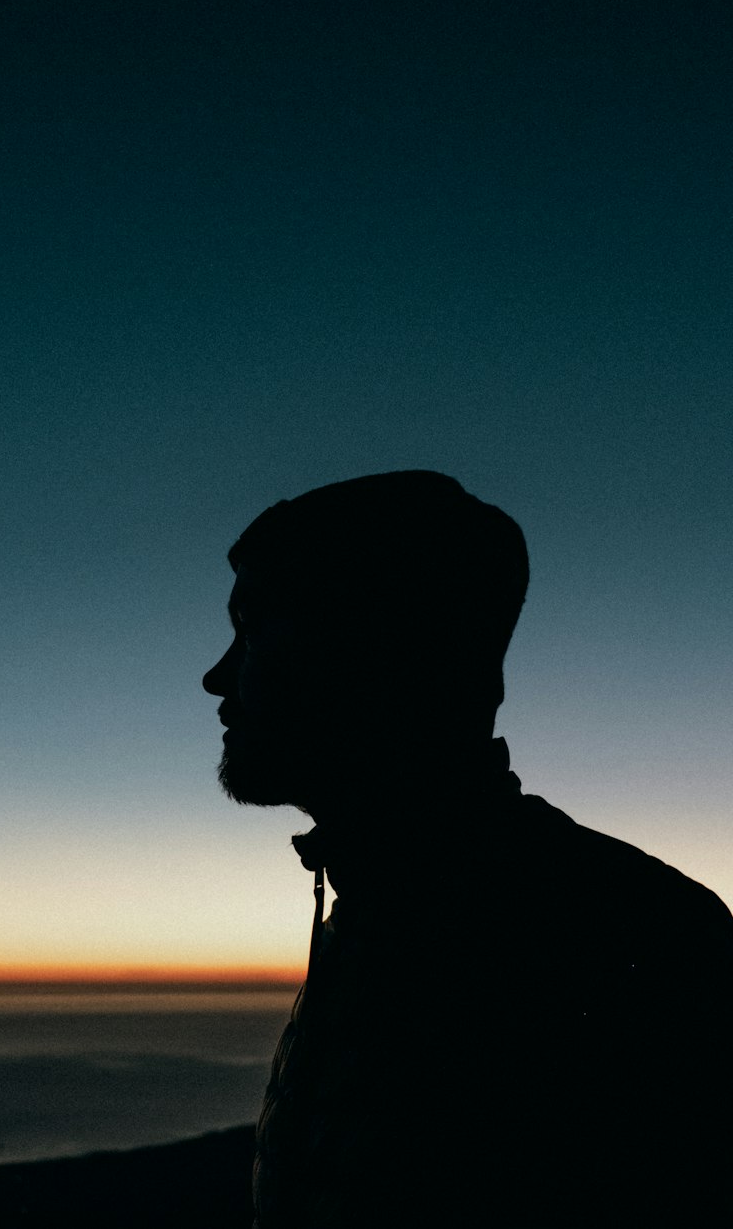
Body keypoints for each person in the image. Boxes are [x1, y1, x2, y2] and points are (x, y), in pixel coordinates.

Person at [202, 471, 733, 1227]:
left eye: (251, 630)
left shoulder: (621, 939)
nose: (216, 677)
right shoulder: (386, 910)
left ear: (372, 652)